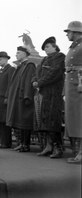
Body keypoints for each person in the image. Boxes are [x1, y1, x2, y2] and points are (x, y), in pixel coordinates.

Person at [32, 37, 65, 158]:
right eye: (44, 48)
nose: (45, 50)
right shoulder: (43, 60)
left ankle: (58, 147)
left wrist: (39, 82)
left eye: (47, 47)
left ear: (55, 47)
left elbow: (54, 73)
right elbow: (35, 74)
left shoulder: (60, 57)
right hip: (42, 94)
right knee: (43, 120)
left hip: (53, 94)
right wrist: (34, 81)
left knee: (52, 120)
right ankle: (48, 146)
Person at [6, 46, 36, 152]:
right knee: (20, 121)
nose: (16, 54)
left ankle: (26, 144)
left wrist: (27, 96)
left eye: (18, 53)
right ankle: (22, 143)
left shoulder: (29, 65)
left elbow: (28, 81)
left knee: (25, 121)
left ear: (25, 54)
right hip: (17, 97)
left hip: (24, 97)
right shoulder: (20, 67)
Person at [64, 21, 82, 164]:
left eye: (68, 32)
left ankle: (80, 153)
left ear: (76, 32)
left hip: (79, 85)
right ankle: (78, 152)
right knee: (74, 119)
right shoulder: (74, 47)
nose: (67, 34)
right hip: (72, 85)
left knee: (79, 119)